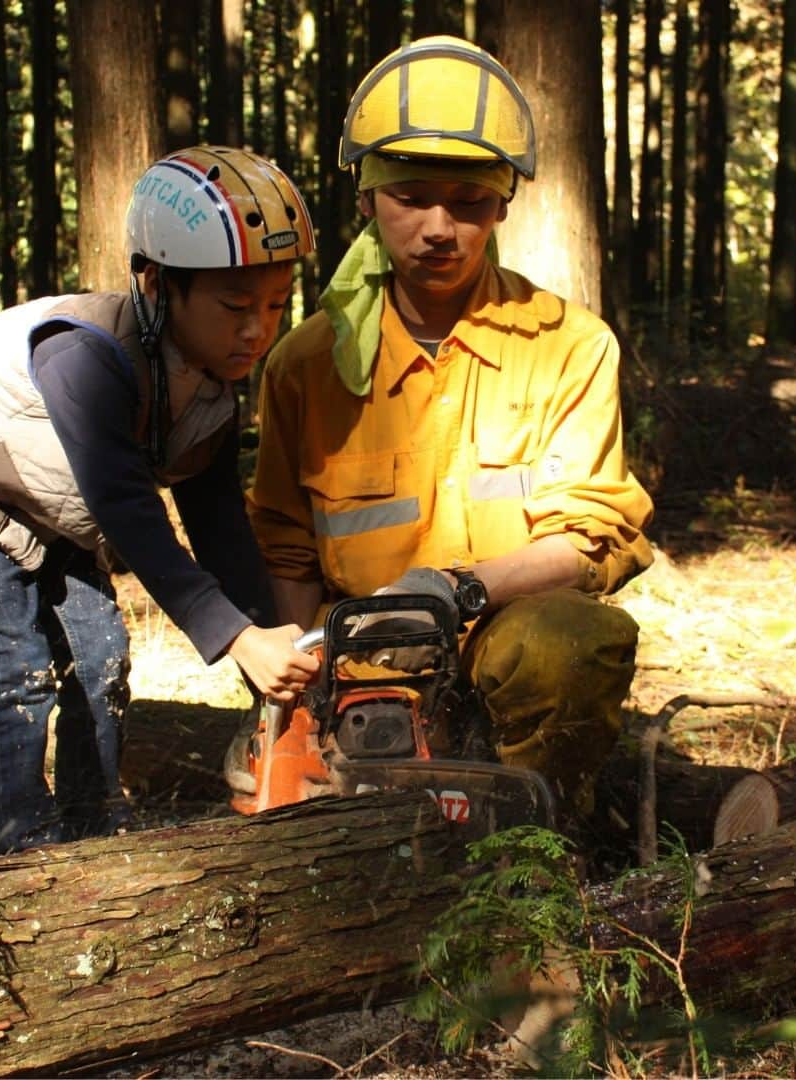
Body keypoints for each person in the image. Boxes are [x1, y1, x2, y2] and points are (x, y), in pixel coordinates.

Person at [243, 37, 655, 824]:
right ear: (366, 199)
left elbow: (590, 535)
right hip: (363, 657)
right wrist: (299, 686)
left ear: (502, 203)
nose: (440, 228)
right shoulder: (306, 365)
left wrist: (457, 591)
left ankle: (533, 852)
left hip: (505, 632)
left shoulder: (567, 345)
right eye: (411, 198)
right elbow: (286, 544)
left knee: (571, 643)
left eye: (468, 202)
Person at [0, 147, 321, 856]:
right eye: (235, 307)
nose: (257, 331)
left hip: (46, 502)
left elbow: (220, 533)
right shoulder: (84, 354)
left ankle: (93, 825)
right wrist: (236, 638)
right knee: (14, 661)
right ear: (156, 284)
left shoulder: (209, 392)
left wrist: (270, 654)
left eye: (276, 305)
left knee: (101, 654)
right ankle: (23, 841)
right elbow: (129, 514)